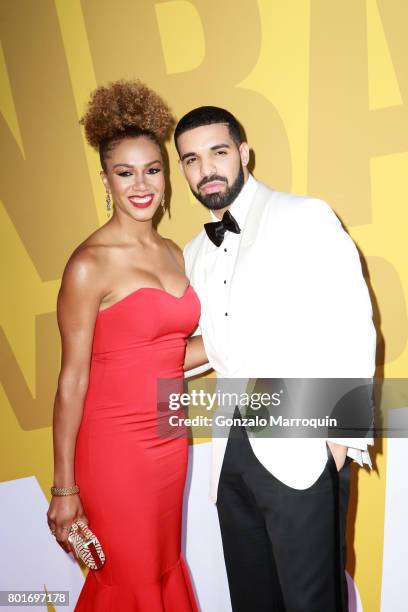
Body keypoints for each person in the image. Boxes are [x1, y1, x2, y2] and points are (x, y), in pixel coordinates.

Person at [175, 106, 376, 612]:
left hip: (302, 444)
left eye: (218, 153)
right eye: (191, 160)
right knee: (252, 600)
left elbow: (353, 322)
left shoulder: (303, 215)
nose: (207, 170)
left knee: (313, 601)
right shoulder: (193, 251)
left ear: (243, 153)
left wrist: (339, 440)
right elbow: (208, 344)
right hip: (229, 456)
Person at [46, 80, 205, 611]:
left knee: (162, 568)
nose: (141, 185)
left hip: (168, 436)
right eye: (125, 171)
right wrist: (65, 490)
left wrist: (249, 335)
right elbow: (71, 380)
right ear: (106, 179)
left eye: (152, 170)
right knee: (129, 579)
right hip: (115, 448)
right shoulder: (89, 264)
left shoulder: (174, 253)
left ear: (166, 175)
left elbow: (169, 356)